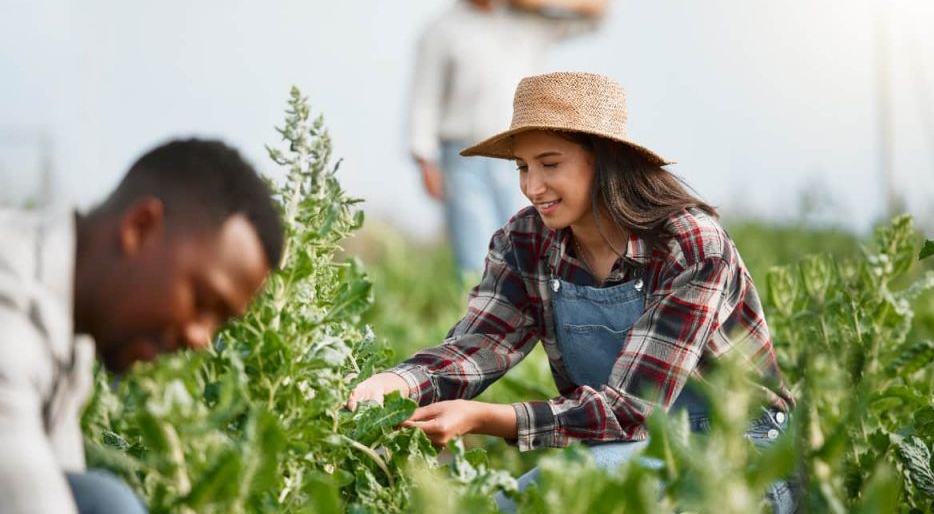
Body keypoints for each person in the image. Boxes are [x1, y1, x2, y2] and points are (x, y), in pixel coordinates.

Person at [353, 72, 797, 512]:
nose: (531, 187)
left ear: (604, 160)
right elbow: (481, 343)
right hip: (628, 448)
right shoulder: (526, 240)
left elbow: (634, 408)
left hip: (741, 458)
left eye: (550, 164)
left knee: (553, 500)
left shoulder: (689, 243)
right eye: (522, 168)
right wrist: (398, 383)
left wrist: (487, 419)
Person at [0, 139, 284, 514]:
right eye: (202, 302)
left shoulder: (75, 326)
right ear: (140, 226)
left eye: (220, 322)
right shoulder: (11, 322)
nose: (201, 339)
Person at [408, 0, 600, 275]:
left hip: (524, 153)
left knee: (529, 251)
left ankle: (531, 325)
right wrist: (425, 160)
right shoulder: (442, 30)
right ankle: (481, 325)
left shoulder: (526, 19)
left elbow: (588, 18)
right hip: (465, 155)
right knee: (476, 257)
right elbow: (424, 97)